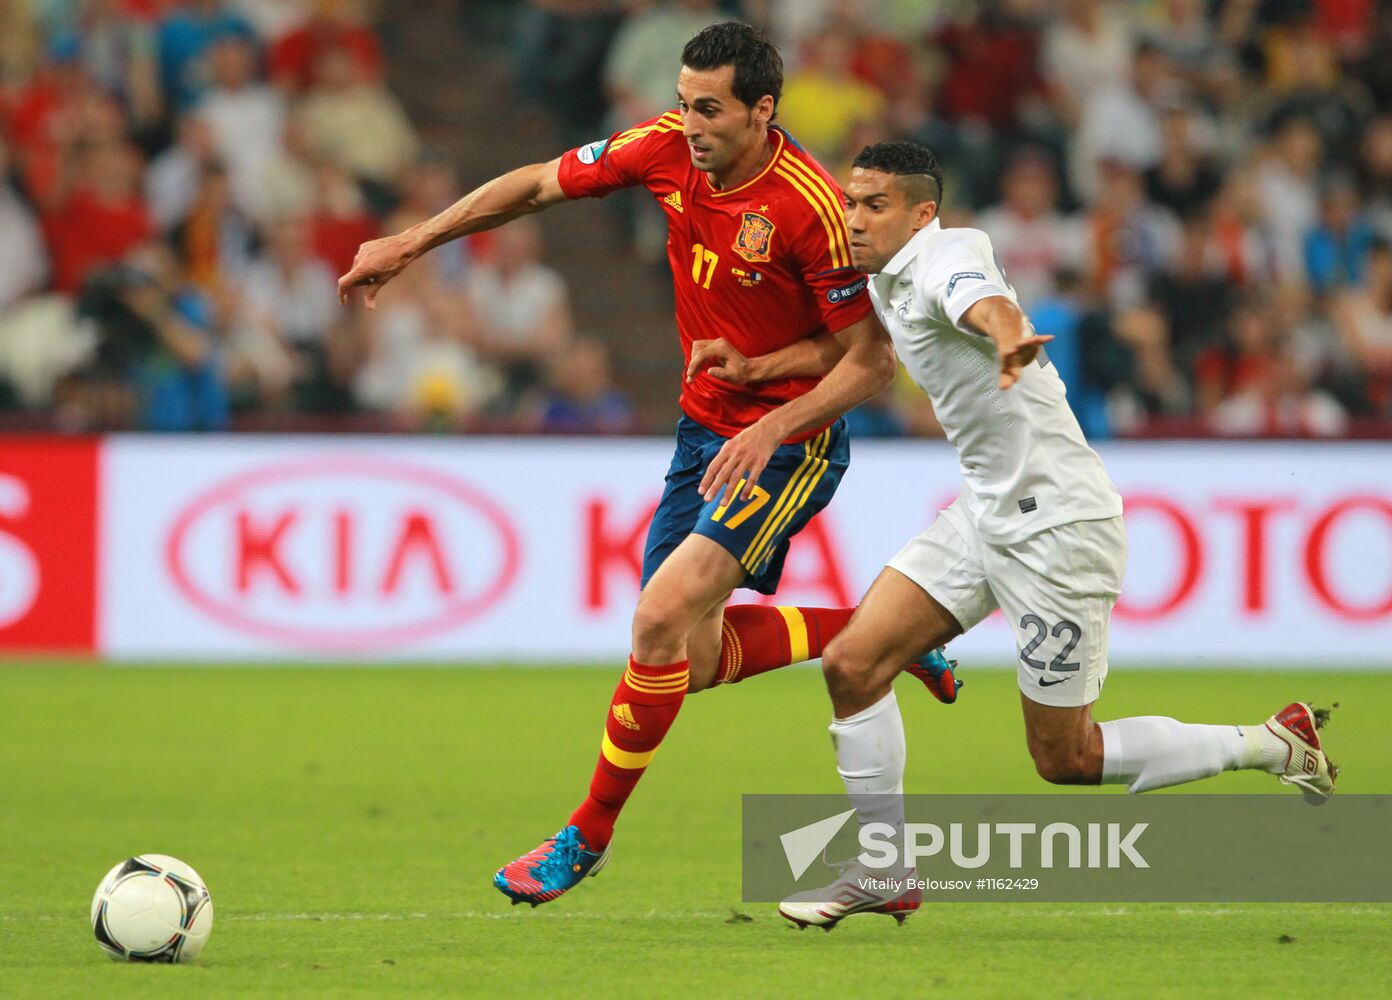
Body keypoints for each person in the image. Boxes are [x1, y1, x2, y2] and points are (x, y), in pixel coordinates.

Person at [336, 23, 958, 910]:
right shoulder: (664, 149)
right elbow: (537, 184)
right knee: (686, 659)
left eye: (710, 109)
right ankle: (883, 635)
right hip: (702, 433)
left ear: (762, 111)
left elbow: (865, 361)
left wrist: (768, 419)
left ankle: (582, 839)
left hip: (789, 444)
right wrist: (412, 241)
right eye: (683, 102)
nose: (690, 123)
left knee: (658, 619)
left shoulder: (811, 207)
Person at [692, 142, 1340, 930]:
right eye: (851, 203)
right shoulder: (887, 277)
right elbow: (866, 353)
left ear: (922, 213)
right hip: (987, 512)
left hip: (1059, 530)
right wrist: (759, 368)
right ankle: (884, 869)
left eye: (874, 206)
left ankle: (1272, 742)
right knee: (854, 663)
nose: (853, 219)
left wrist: (1006, 337)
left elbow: (980, 303)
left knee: (1065, 759)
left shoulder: (944, 261)